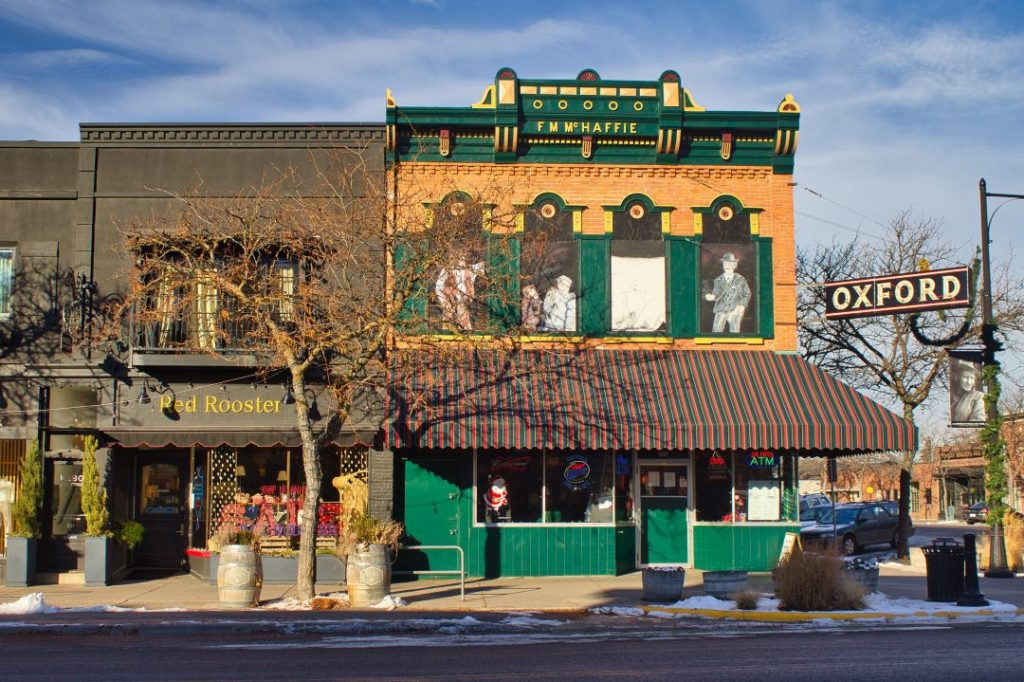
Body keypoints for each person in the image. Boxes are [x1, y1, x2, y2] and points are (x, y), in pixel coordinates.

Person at [435, 254, 485, 331]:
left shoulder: (470, 269)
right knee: (449, 309)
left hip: (462, 297)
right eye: (456, 258)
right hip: (446, 295)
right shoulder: (448, 270)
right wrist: (449, 297)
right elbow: (441, 287)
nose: (459, 260)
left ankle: (465, 330)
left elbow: (483, 265)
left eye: (462, 258)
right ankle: (447, 331)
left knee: (461, 309)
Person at [704, 252, 751, 333]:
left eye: (729, 264)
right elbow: (716, 293)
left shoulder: (740, 279)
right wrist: (712, 297)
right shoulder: (718, 280)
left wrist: (742, 305)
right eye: (725, 264)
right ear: (723, 265)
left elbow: (747, 293)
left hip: (734, 310)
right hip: (720, 310)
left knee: (735, 333)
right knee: (716, 333)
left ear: (734, 265)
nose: (727, 266)